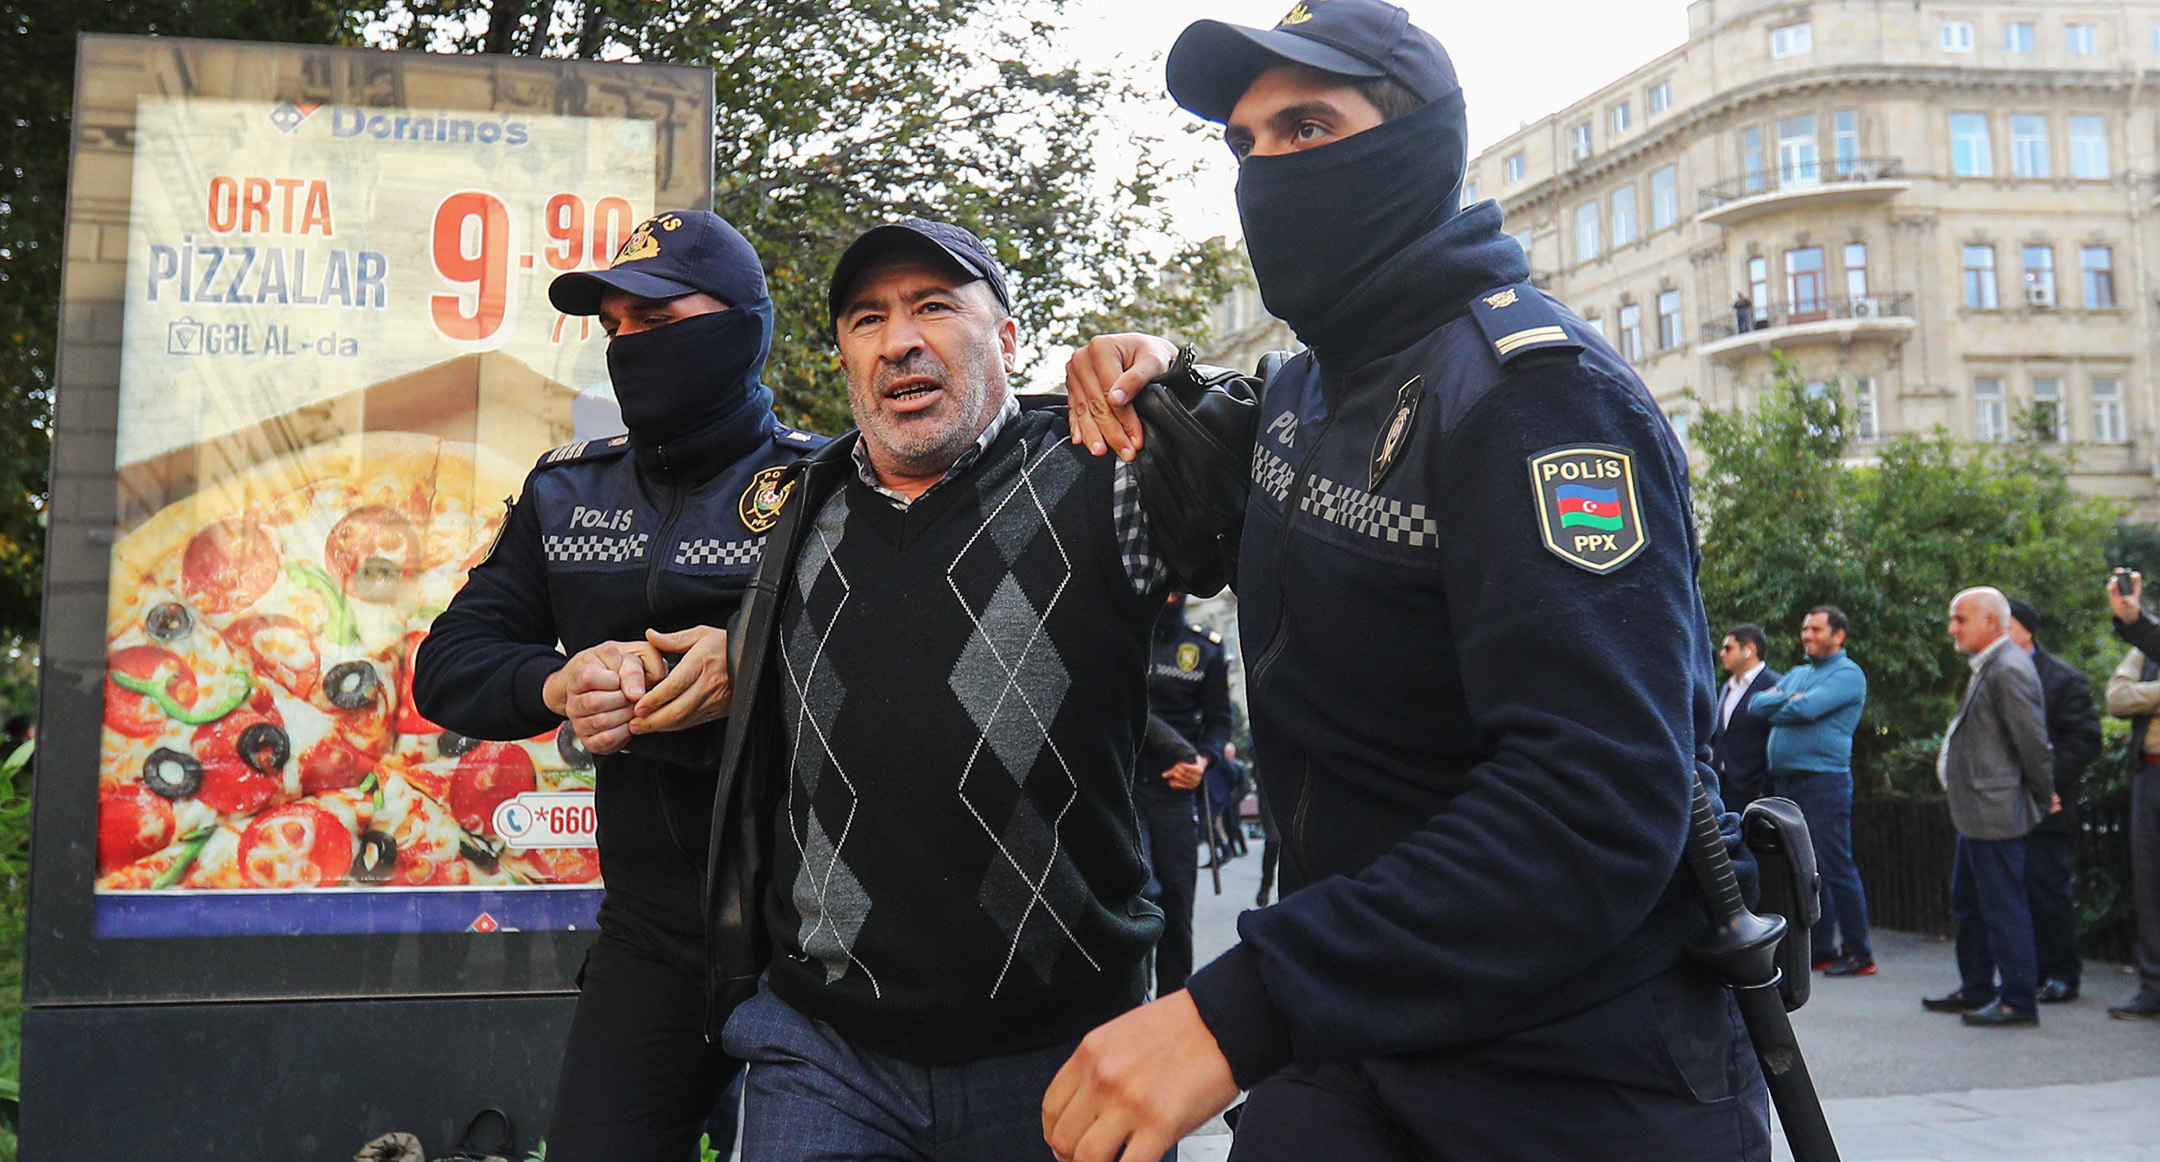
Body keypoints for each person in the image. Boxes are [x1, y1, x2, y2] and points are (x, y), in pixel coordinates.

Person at [1047, 4, 1770, 1159]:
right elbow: (1246, 496)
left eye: (1308, 127)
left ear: (1419, 144)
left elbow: (1596, 800)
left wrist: (1239, 1011)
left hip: (1571, 1069)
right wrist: (1160, 370)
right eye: (1245, 145)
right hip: (1357, 1031)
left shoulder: (1537, 399)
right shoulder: (1309, 389)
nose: (1270, 172)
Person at [707, 218, 1245, 1162]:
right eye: (867, 319)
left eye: (933, 307)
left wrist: (1172, 373)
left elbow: (1278, 458)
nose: (899, 340)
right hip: (824, 1050)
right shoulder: (796, 512)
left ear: (1006, 338)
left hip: (1065, 1052)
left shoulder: (1100, 471)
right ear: (845, 359)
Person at [411, 210, 824, 1162]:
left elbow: (903, 661)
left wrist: (751, 656)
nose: (631, 345)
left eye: (659, 319)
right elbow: (450, 663)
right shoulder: (566, 492)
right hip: (655, 936)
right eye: (615, 327)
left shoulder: (825, 485)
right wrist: (559, 681)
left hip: (822, 932)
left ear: (742, 327)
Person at [1922, 587, 2054, 1027]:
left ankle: (2018, 1001)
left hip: (1995, 812)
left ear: (1992, 622)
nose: (1951, 628)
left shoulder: (2008, 668)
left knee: (2003, 908)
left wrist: (2041, 796)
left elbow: (2033, 744)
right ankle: (1977, 987)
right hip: (1977, 812)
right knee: (1969, 905)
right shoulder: (1991, 665)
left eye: (1960, 619)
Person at [1749, 607, 1874, 977]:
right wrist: (1790, 699)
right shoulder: (1800, 673)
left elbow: (1805, 710)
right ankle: (1821, 949)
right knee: (1805, 869)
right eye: (1805, 629)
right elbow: (1756, 704)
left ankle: (1859, 952)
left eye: (1817, 629)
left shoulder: (1848, 674)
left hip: (1823, 781)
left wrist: (1787, 700)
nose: (1807, 635)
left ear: (1839, 635)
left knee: (1836, 866)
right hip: (1788, 783)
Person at [2005, 599, 2101, 1003]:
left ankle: (2061, 973)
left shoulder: (2063, 679)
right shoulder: (1991, 672)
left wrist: (2043, 783)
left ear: (2025, 630)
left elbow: (2085, 740)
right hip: (2001, 804)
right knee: (2008, 894)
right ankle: (2023, 974)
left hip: (2047, 803)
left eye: (2004, 623)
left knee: (2047, 892)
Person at [1142, 592, 1233, 994]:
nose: (1167, 595)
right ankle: (1134, 1001)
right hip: (1124, 785)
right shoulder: (1127, 633)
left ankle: (1172, 1001)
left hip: (1176, 789)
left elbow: (1220, 722)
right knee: (1142, 894)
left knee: (1177, 903)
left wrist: (1203, 762)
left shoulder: (1204, 648)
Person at [2101, 569, 2160, 1019]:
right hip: (2150, 774)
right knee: (2149, 884)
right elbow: (2117, 699)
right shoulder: (2148, 646)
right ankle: (2153, 987)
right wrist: (2133, 618)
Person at [1712, 623, 1780, 809]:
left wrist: (1763, 787)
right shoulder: (1728, 687)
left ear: (1749, 650)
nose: (1722, 654)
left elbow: (1775, 737)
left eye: (1728, 648)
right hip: (1722, 787)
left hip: (1754, 791)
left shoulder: (1774, 685)